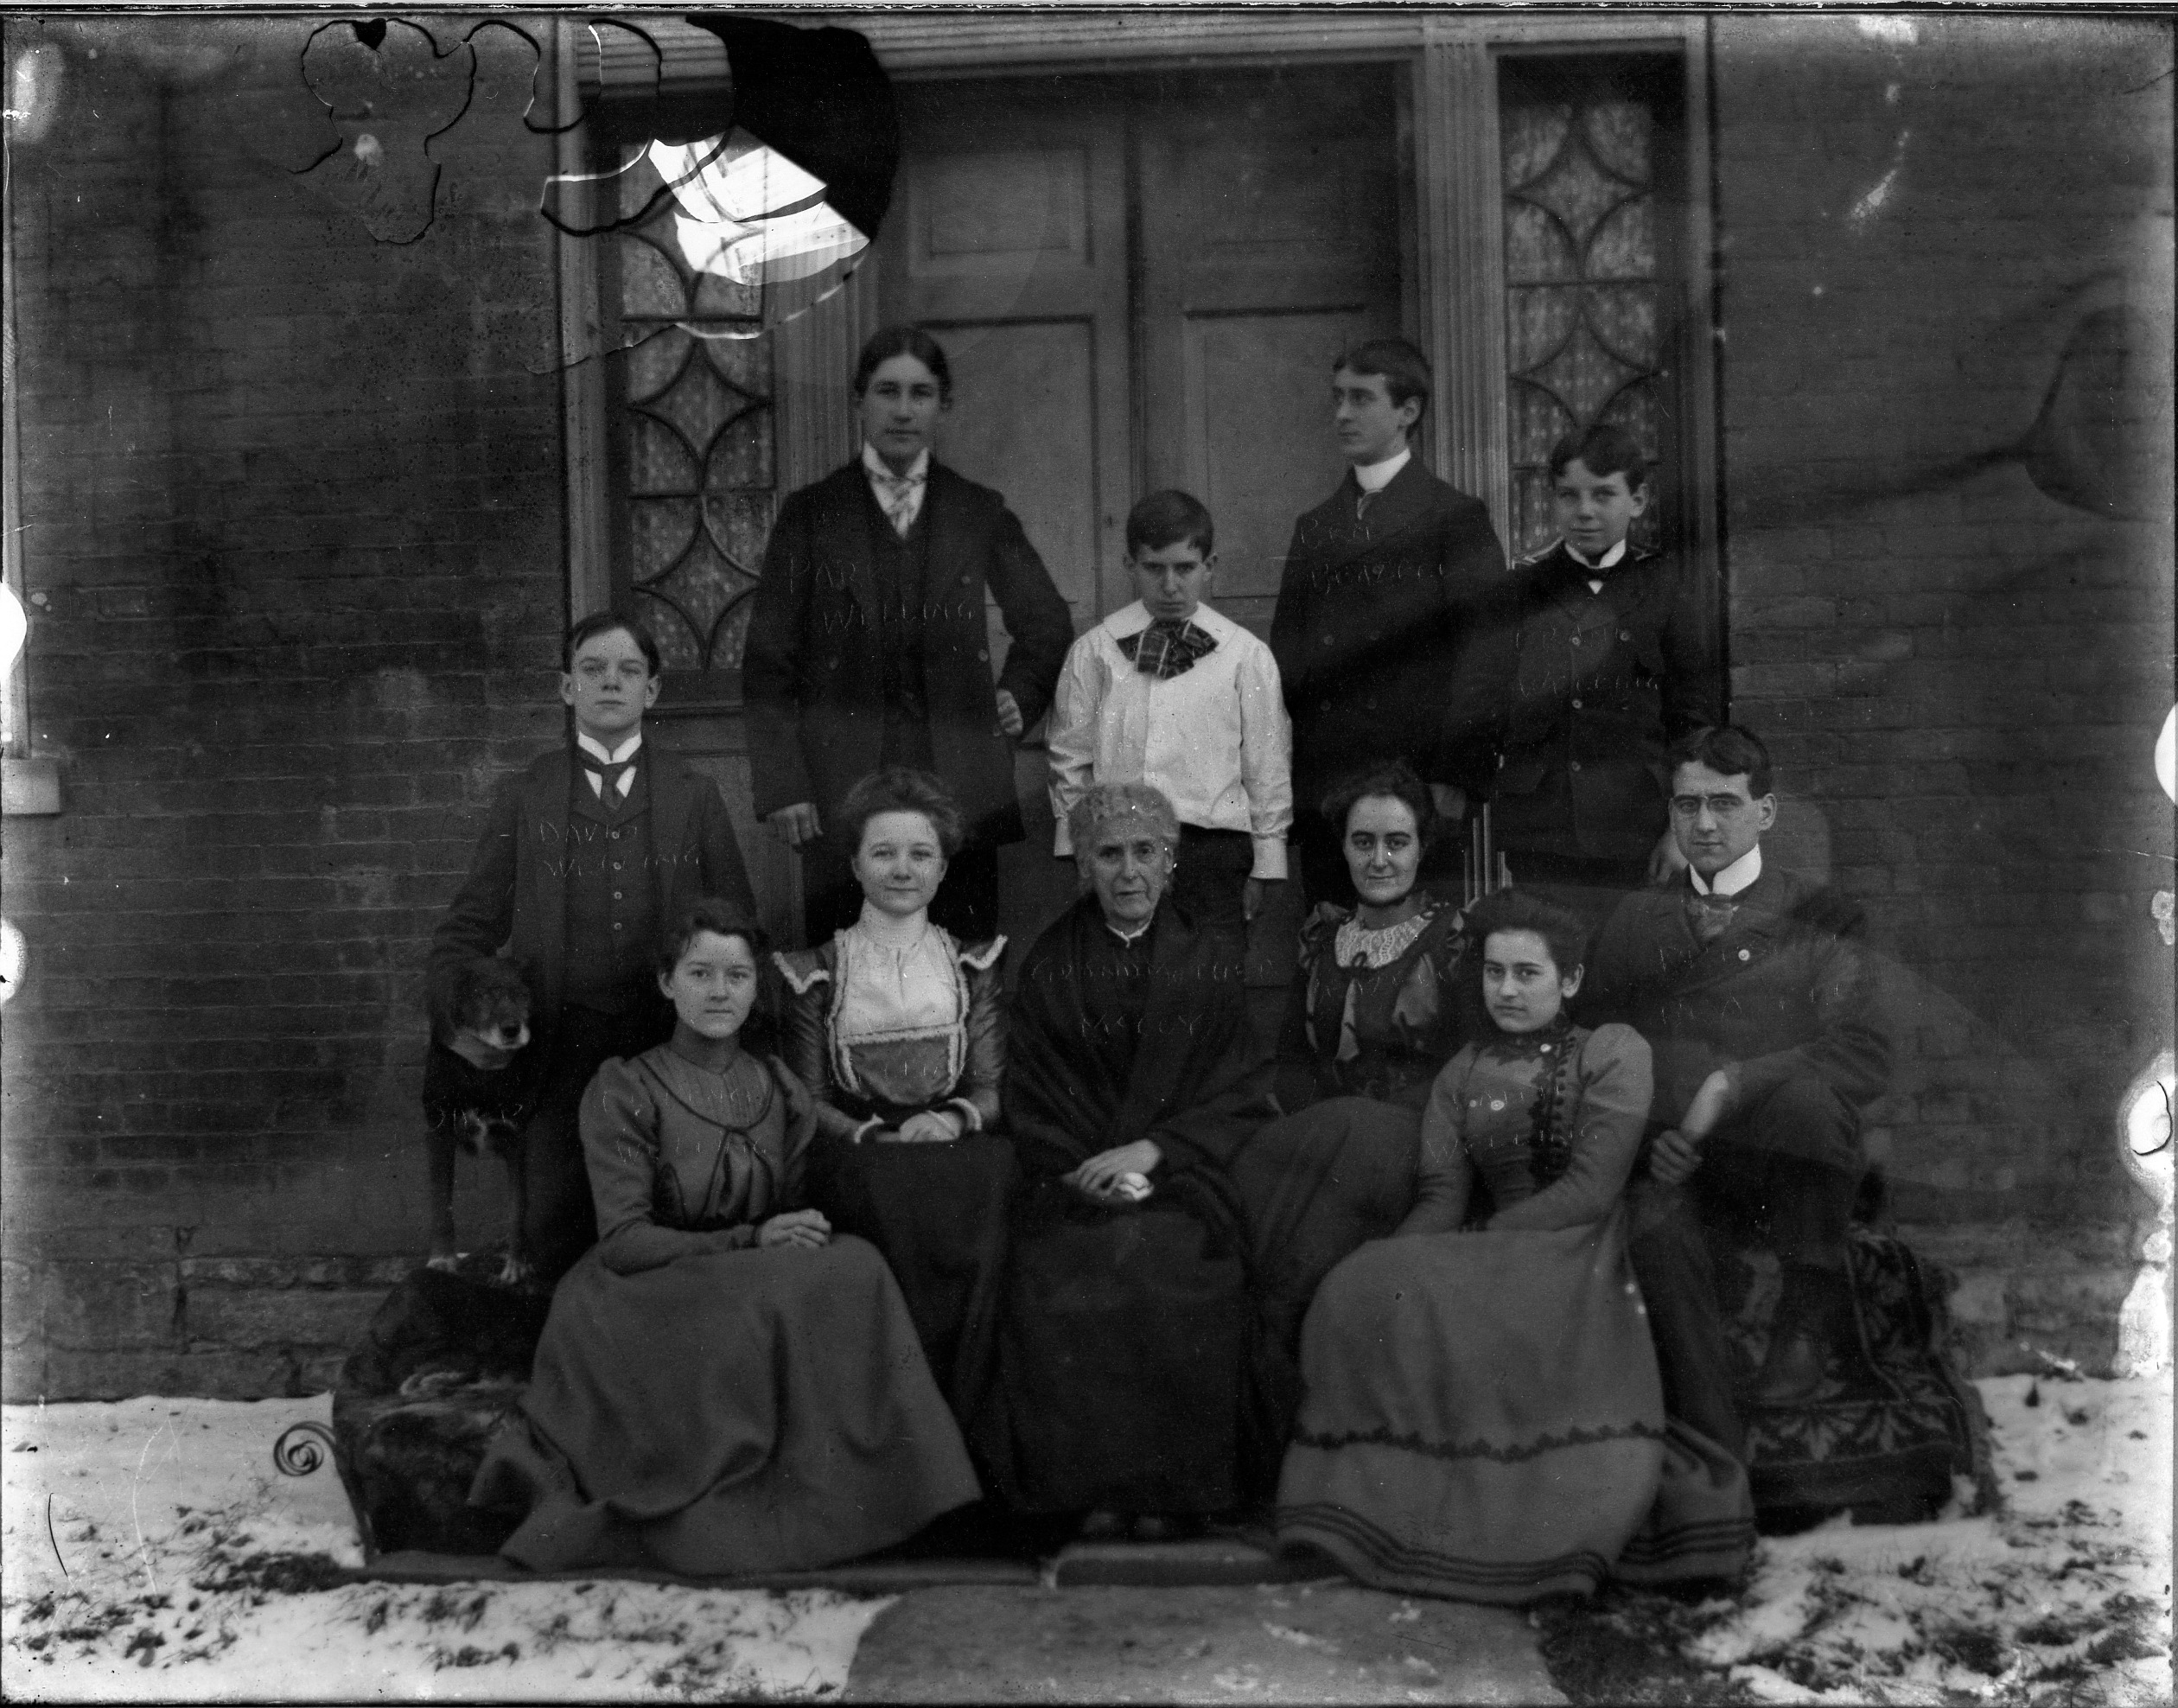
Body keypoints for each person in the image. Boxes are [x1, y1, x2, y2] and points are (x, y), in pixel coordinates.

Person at [468, 900, 979, 1574]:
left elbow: (788, 1205)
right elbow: (624, 1242)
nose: (719, 992)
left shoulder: (775, 1085)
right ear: (666, 983)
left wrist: (787, 1231)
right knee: (768, 1297)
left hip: (744, 1263)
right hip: (641, 1289)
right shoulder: (627, 1087)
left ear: (754, 987)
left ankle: (883, 1498)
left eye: (736, 976)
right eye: (700, 973)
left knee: (856, 1265)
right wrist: (752, 1240)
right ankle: (766, 1514)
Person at [1277, 889, 1754, 1603]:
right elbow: (1441, 1197)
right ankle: (1387, 1511)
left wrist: (1484, 1242)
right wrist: (1386, 1264)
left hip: (1585, 1244)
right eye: (1495, 973)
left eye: (1528, 974)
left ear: (1571, 980)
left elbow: (1591, 1190)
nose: (1506, 990)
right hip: (1495, 1245)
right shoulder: (1461, 1072)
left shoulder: (1613, 1050)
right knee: (1363, 1283)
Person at [972, 783, 1280, 1537]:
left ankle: (1175, 1495)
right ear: (1085, 866)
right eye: (1110, 854)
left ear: (1171, 863)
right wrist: (1085, 1170)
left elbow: (1239, 1088)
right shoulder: (1051, 963)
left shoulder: (1209, 958)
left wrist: (1156, 1151)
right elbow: (1032, 1095)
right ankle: (1093, 1492)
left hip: (1182, 1180)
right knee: (1068, 1268)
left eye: (1147, 852)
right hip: (1074, 1182)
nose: (1130, 871)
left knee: (1177, 1263)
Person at [1584, 724, 1893, 1457]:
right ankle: (1701, 1412)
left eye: (1724, 804)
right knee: (1658, 1237)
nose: (1705, 824)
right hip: (1670, 1158)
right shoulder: (1634, 918)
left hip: (1775, 1158)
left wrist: (1733, 1082)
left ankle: (1804, 1323)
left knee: (1811, 1104)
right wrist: (1652, 1138)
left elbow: (1860, 1049)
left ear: (1766, 812)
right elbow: (1595, 1043)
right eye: (1687, 806)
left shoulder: (1822, 917)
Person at [429, 610, 755, 1281]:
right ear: (566, 687)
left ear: (651, 691)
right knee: (553, 1239)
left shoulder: (694, 794)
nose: (611, 682)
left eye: (629, 670)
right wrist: (459, 1025)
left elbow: (739, 926)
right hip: (558, 1049)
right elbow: (467, 929)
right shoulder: (527, 794)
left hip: (667, 1044)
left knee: (674, 1224)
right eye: (593, 669)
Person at [744, 323, 1075, 946]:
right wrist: (785, 783)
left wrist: (1020, 695)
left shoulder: (978, 509)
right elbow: (768, 660)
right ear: (859, 401)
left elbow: (1047, 623)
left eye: (920, 394)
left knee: (962, 957)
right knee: (845, 960)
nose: (903, 410)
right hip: (840, 785)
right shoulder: (811, 514)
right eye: (887, 391)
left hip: (961, 783)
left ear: (943, 405)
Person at [774, 768, 1015, 1418]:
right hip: (859, 1148)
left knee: (989, 1182)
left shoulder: (972, 964)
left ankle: (965, 1410)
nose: (902, 870)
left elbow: (991, 1086)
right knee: (883, 1199)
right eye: (883, 853)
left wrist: (953, 1120)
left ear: (942, 869)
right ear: (855, 865)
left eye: (920, 854)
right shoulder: (817, 970)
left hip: (952, 1142)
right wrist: (873, 1134)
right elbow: (807, 1097)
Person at [1234, 760, 1481, 1364]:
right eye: (1363, 842)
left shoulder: (1453, 939)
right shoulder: (1322, 936)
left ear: (1421, 848)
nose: (1380, 860)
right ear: (1343, 848)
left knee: (1306, 1258)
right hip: (1323, 1142)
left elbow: (1469, 1068)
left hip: (1412, 1147)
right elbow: (1292, 1058)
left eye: (1397, 843)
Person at [1442, 423, 1719, 934]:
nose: (1585, 511)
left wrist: (1680, 831)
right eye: (1569, 496)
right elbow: (1479, 704)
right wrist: (1456, 791)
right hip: (1542, 829)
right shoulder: (1519, 591)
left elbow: (1693, 722)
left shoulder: (1667, 590)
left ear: (1638, 501)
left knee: (1627, 959)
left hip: (1635, 829)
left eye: (1603, 495)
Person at [1270, 337, 1506, 907]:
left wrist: (1453, 777)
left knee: (1421, 942)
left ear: (1408, 411)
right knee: (1330, 937)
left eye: (1361, 398)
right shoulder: (1316, 527)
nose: (1342, 414)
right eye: (1337, 398)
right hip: (1328, 789)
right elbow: (1287, 662)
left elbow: (1488, 659)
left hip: (1417, 787)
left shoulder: (1455, 519)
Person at [1047, 489, 1291, 946]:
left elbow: (1267, 765)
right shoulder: (1095, 652)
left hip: (1212, 850)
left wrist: (1266, 862)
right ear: (1130, 565)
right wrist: (1076, 849)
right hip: (1120, 848)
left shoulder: (1245, 656)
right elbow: (1070, 757)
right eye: (1154, 568)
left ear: (1209, 566)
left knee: (1210, 967)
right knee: (1122, 966)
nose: (1171, 585)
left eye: (1185, 568)